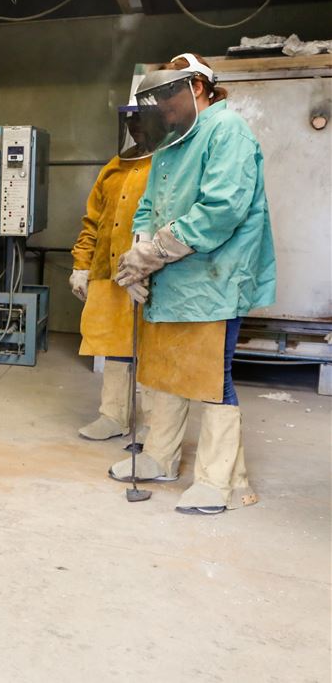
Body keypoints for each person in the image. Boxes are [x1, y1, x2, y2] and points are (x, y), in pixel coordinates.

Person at [111, 52, 275, 515]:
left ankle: (222, 483)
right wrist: (138, 255)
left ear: (197, 88)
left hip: (213, 279)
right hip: (172, 280)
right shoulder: (171, 142)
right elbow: (148, 206)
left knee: (209, 378)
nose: (160, 110)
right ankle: (161, 457)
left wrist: (155, 252)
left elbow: (221, 209)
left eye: (165, 99)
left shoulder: (227, 131)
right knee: (164, 369)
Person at [69, 106, 154, 441]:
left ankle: (155, 426)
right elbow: (93, 221)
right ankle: (114, 416)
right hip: (110, 270)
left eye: (141, 119)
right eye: (130, 120)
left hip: (151, 274)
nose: (135, 126)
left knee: (152, 348)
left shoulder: (168, 164)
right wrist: (81, 264)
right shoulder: (114, 167)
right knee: (115, 344)